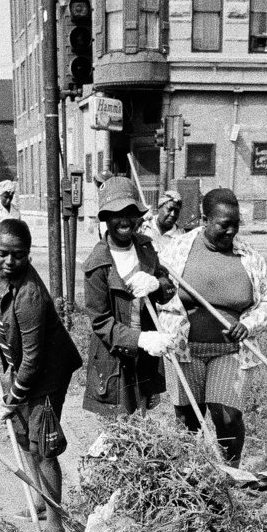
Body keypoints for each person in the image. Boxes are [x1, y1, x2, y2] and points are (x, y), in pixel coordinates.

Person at [0, 219, 82, 532]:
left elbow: (34, 361)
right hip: (19, 362)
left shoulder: (30, 297)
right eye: (3, 253)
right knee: (22, 435)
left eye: (19, 255)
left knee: (43, 446)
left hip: (48, 372)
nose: (10, 261)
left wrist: (11, 400)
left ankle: (55, 524)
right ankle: (38, 501)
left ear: (28, 255)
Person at [158, 187, 267, 465]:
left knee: (227, 416)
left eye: (236, 224)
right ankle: (188, 478)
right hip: (185, 350)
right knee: (188, 420)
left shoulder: (249, 257)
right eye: (224, 224)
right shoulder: (175, 251)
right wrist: (159, 286)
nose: (232, 231)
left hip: (230, 351)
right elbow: (157, 294)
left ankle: (231, 473)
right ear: (204, 219)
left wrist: (248, 324)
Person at [82, 176, 176, 419]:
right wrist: (141, 339)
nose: (124, 220)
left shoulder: (145, 247)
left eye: (130, 212)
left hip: (145, 358)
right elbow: (101, 323)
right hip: (114, 359)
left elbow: (169, 288)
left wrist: (156, 284)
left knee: (142, 419)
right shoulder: (97, 264)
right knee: (118, 426)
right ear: (105, 218)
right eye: (116, 213)